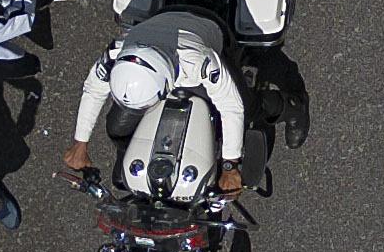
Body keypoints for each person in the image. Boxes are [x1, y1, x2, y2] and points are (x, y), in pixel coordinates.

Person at [65, 11, 249, 190]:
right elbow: (94, 90)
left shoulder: (199, 63)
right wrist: (80, 143)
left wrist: (229, 165)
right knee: (116, 126)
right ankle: (126, 154)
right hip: (160, 28)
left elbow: (231, 106)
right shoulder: (116, 53)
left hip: (205, 30)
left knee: (246, 105)